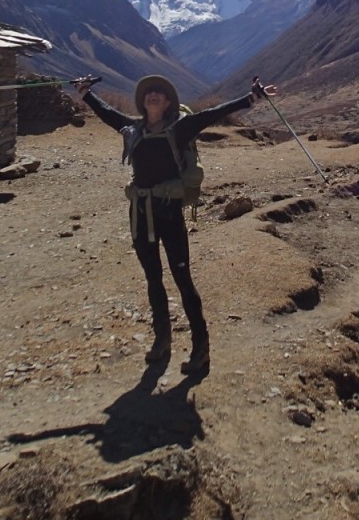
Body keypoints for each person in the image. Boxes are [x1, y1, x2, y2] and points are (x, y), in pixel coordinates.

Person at [75, 74, 277, 376]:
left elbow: (212, 114)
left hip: (169, 214)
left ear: (168, 102)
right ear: (143, 102)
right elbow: (107, 114)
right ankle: (162, 340)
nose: (153, 95)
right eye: (149, 93)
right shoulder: (133, 128)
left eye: (159, 93)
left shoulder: (180, 129)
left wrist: (251, 98)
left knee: (183, 280)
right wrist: (86, 94)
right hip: (141, 213)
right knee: (153, 280)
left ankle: (201, 347)